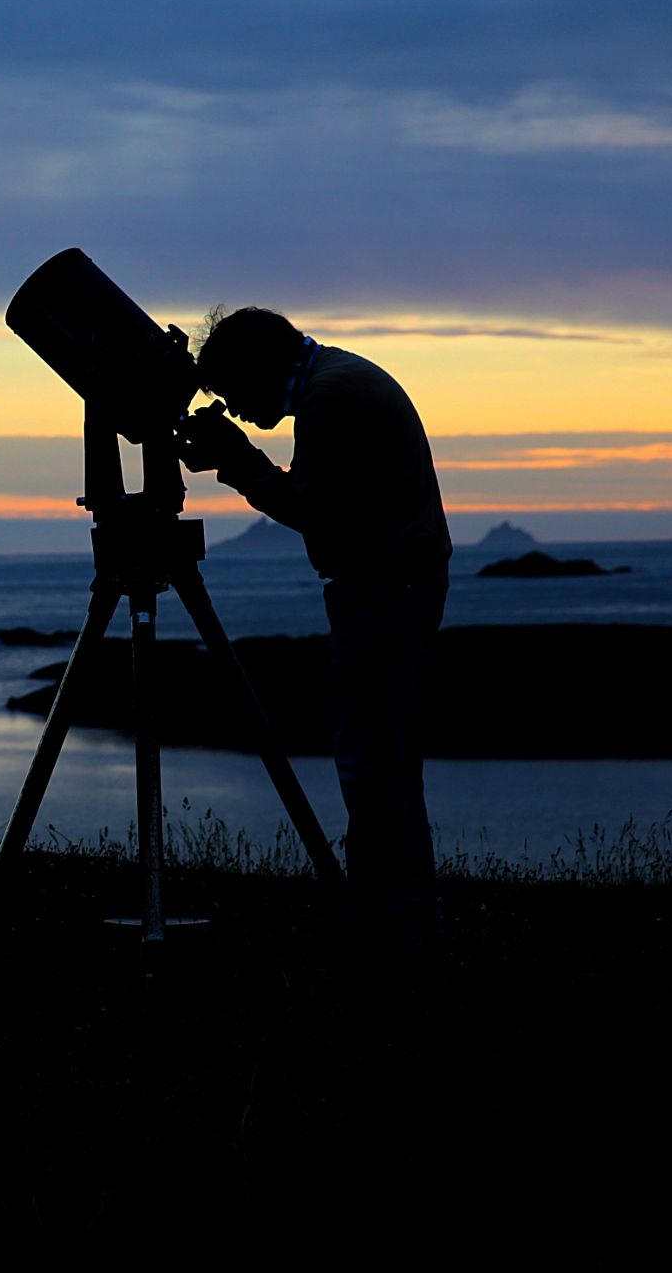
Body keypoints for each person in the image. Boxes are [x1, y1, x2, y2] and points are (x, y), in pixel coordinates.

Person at [174, 307, 452, 947]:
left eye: (236, 394)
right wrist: (243, 459)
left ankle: (391, 927)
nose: (238, 410)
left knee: (372, 765)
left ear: (262, 367)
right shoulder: (340, 379)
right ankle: (402, 918)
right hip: (396, 585)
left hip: (384, 592)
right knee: (387, 764)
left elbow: (312, 509)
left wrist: (239, 462)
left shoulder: (330, 397)